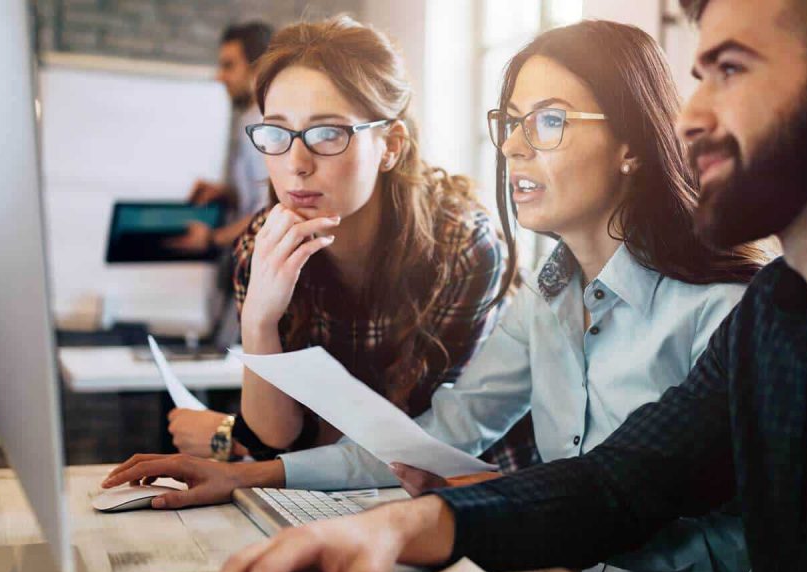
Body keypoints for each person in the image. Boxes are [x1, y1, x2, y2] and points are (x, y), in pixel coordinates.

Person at [212, 0, 807, 572]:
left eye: (730, 71)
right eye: (699, 76)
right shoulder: (780, 309)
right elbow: (619, 482)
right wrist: (401, 526)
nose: (691, 117)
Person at [106, 20, 769, 572]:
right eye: (510, 122)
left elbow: (702, 527)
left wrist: (463, 519)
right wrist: (249, 474)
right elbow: (435, 438)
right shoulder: (547, 300)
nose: (511, 146)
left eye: (548, 120)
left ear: (631, 144)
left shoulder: (728, 316)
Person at [131, 16, 537, 472]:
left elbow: (402, 438)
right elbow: (277, 434)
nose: (296, 164)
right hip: (339, 490)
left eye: (328, 133)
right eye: (276, 133)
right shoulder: (262, 243)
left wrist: (232, 438)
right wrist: (259, 321)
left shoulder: (461, 247)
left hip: (476, 494)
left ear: (390, 146)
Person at [168, 21, 274, 255]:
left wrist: (213, 238)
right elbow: (257, 197)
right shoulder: (248, 119)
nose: (220, 76)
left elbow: (271, 210)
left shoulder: (265, 127)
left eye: (229, 66)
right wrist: (227, 194)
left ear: (257, 69)